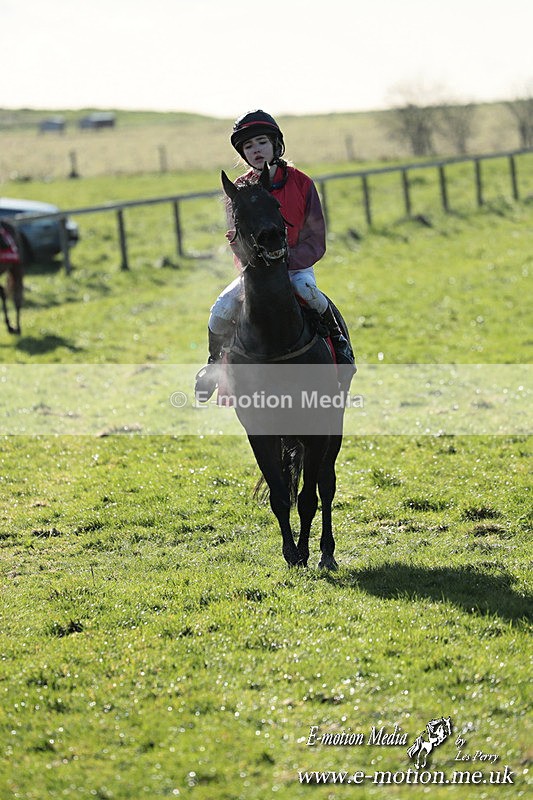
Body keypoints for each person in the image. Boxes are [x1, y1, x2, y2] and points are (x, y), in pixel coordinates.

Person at [195, 110, 354, 399]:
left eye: (261, 142)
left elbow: (315, 236)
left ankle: (341, 348)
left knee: (310, 293)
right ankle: (213, 367)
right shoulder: (239, 190)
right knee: (221, 308)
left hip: (295, 268)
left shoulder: (302, 183)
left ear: (276, 144)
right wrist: (260, 261)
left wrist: (285, 259)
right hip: (255, 272)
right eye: (249, 146)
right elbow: (234, 237)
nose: (256, 150)